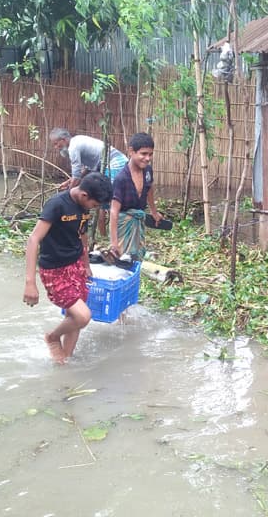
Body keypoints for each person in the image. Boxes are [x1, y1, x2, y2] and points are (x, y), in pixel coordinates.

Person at [23, 172, 113, 365]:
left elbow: (82, 235)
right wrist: (30, 283)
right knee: (83, 315)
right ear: (84, 196)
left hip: (76, 266)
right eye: (95, 205)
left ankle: (65, 362)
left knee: (75, 318)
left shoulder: (84, 207)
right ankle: (53, 337)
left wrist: (86, 264)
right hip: (54, 271)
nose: (95, 209)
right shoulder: (56, 205)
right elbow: (33, 239)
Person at [49, 127, 128, 237]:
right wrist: (68, 182)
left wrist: (67, 195)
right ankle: (104, 235)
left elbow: (76, 176)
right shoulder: (78, 140)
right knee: (103, 201)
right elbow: (84, 171)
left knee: (104, 199)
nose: (56, 147)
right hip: (119, 161)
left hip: (115, 164)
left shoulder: (73, 148)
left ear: (63, 140)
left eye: (56, 144)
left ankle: (111, 236)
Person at [107, 132, 171, 261]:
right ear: (131, 151)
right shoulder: (122, 178)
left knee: (137, 256)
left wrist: (154, 211)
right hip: (123, 224)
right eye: (143, 154)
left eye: (150, 154)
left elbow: (149, 189)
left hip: (138, 219)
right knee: (121, 259)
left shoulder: (147, 171)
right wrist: (114, 242)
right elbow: (114, 211)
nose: (147, 158)